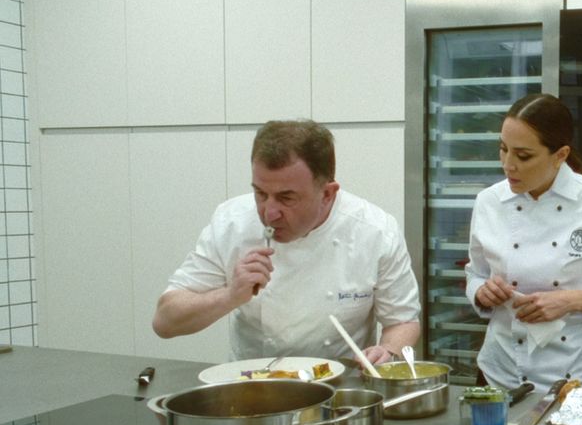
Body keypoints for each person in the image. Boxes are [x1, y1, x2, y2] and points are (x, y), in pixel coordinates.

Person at [152, 119, 420, 364]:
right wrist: (230, 295)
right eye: (260, 193)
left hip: (341, 392)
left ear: (327, 194)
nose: (269, 212)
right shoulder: (232, 223)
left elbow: (403, 321)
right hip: (253, 389)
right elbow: (165, 322)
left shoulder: (375, 231)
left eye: (286, 198)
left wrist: (388, 352)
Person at [465, 94, 582, 392]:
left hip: (574, 376)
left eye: (523, 156)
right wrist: (483, 292)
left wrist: (569, 301)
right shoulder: (489, 202)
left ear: (560, 155)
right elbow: (476, 274)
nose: (508, 165)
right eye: (503, 149)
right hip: (499, 372)